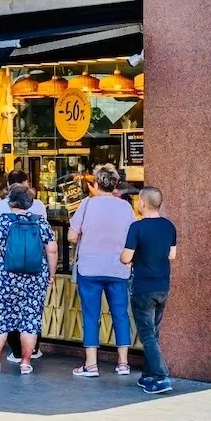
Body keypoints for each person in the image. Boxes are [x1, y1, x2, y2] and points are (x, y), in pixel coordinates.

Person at [0, 185, 58, 374]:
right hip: (35, 278)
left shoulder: (1, 221)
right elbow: (52, 250)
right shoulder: (40, 222)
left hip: (5, 278)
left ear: (10, 201)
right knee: (30, 320)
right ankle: (25, 363)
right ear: (29, 202)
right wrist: (51, 273)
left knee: (0, 318)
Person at [68, 164, 136, 377]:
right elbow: (133, 235)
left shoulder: (87, 204)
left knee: (90, 315)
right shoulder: (125, 207)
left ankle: (91, 365)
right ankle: (123, 363)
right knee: (120, 314)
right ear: (115, 184)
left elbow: (72, 236)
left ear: (96, 184)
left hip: (90, 268)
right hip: (118, 267)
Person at [121, 186, 177, 394]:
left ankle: (161, 377)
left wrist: (131, 257)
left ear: (142, 203)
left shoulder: (137, 227)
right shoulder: (169, 226)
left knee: (147, 334)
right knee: (153, 331)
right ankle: (149, 374)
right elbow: (172, 255)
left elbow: (126, 257)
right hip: (162, 286)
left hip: (143, 287)